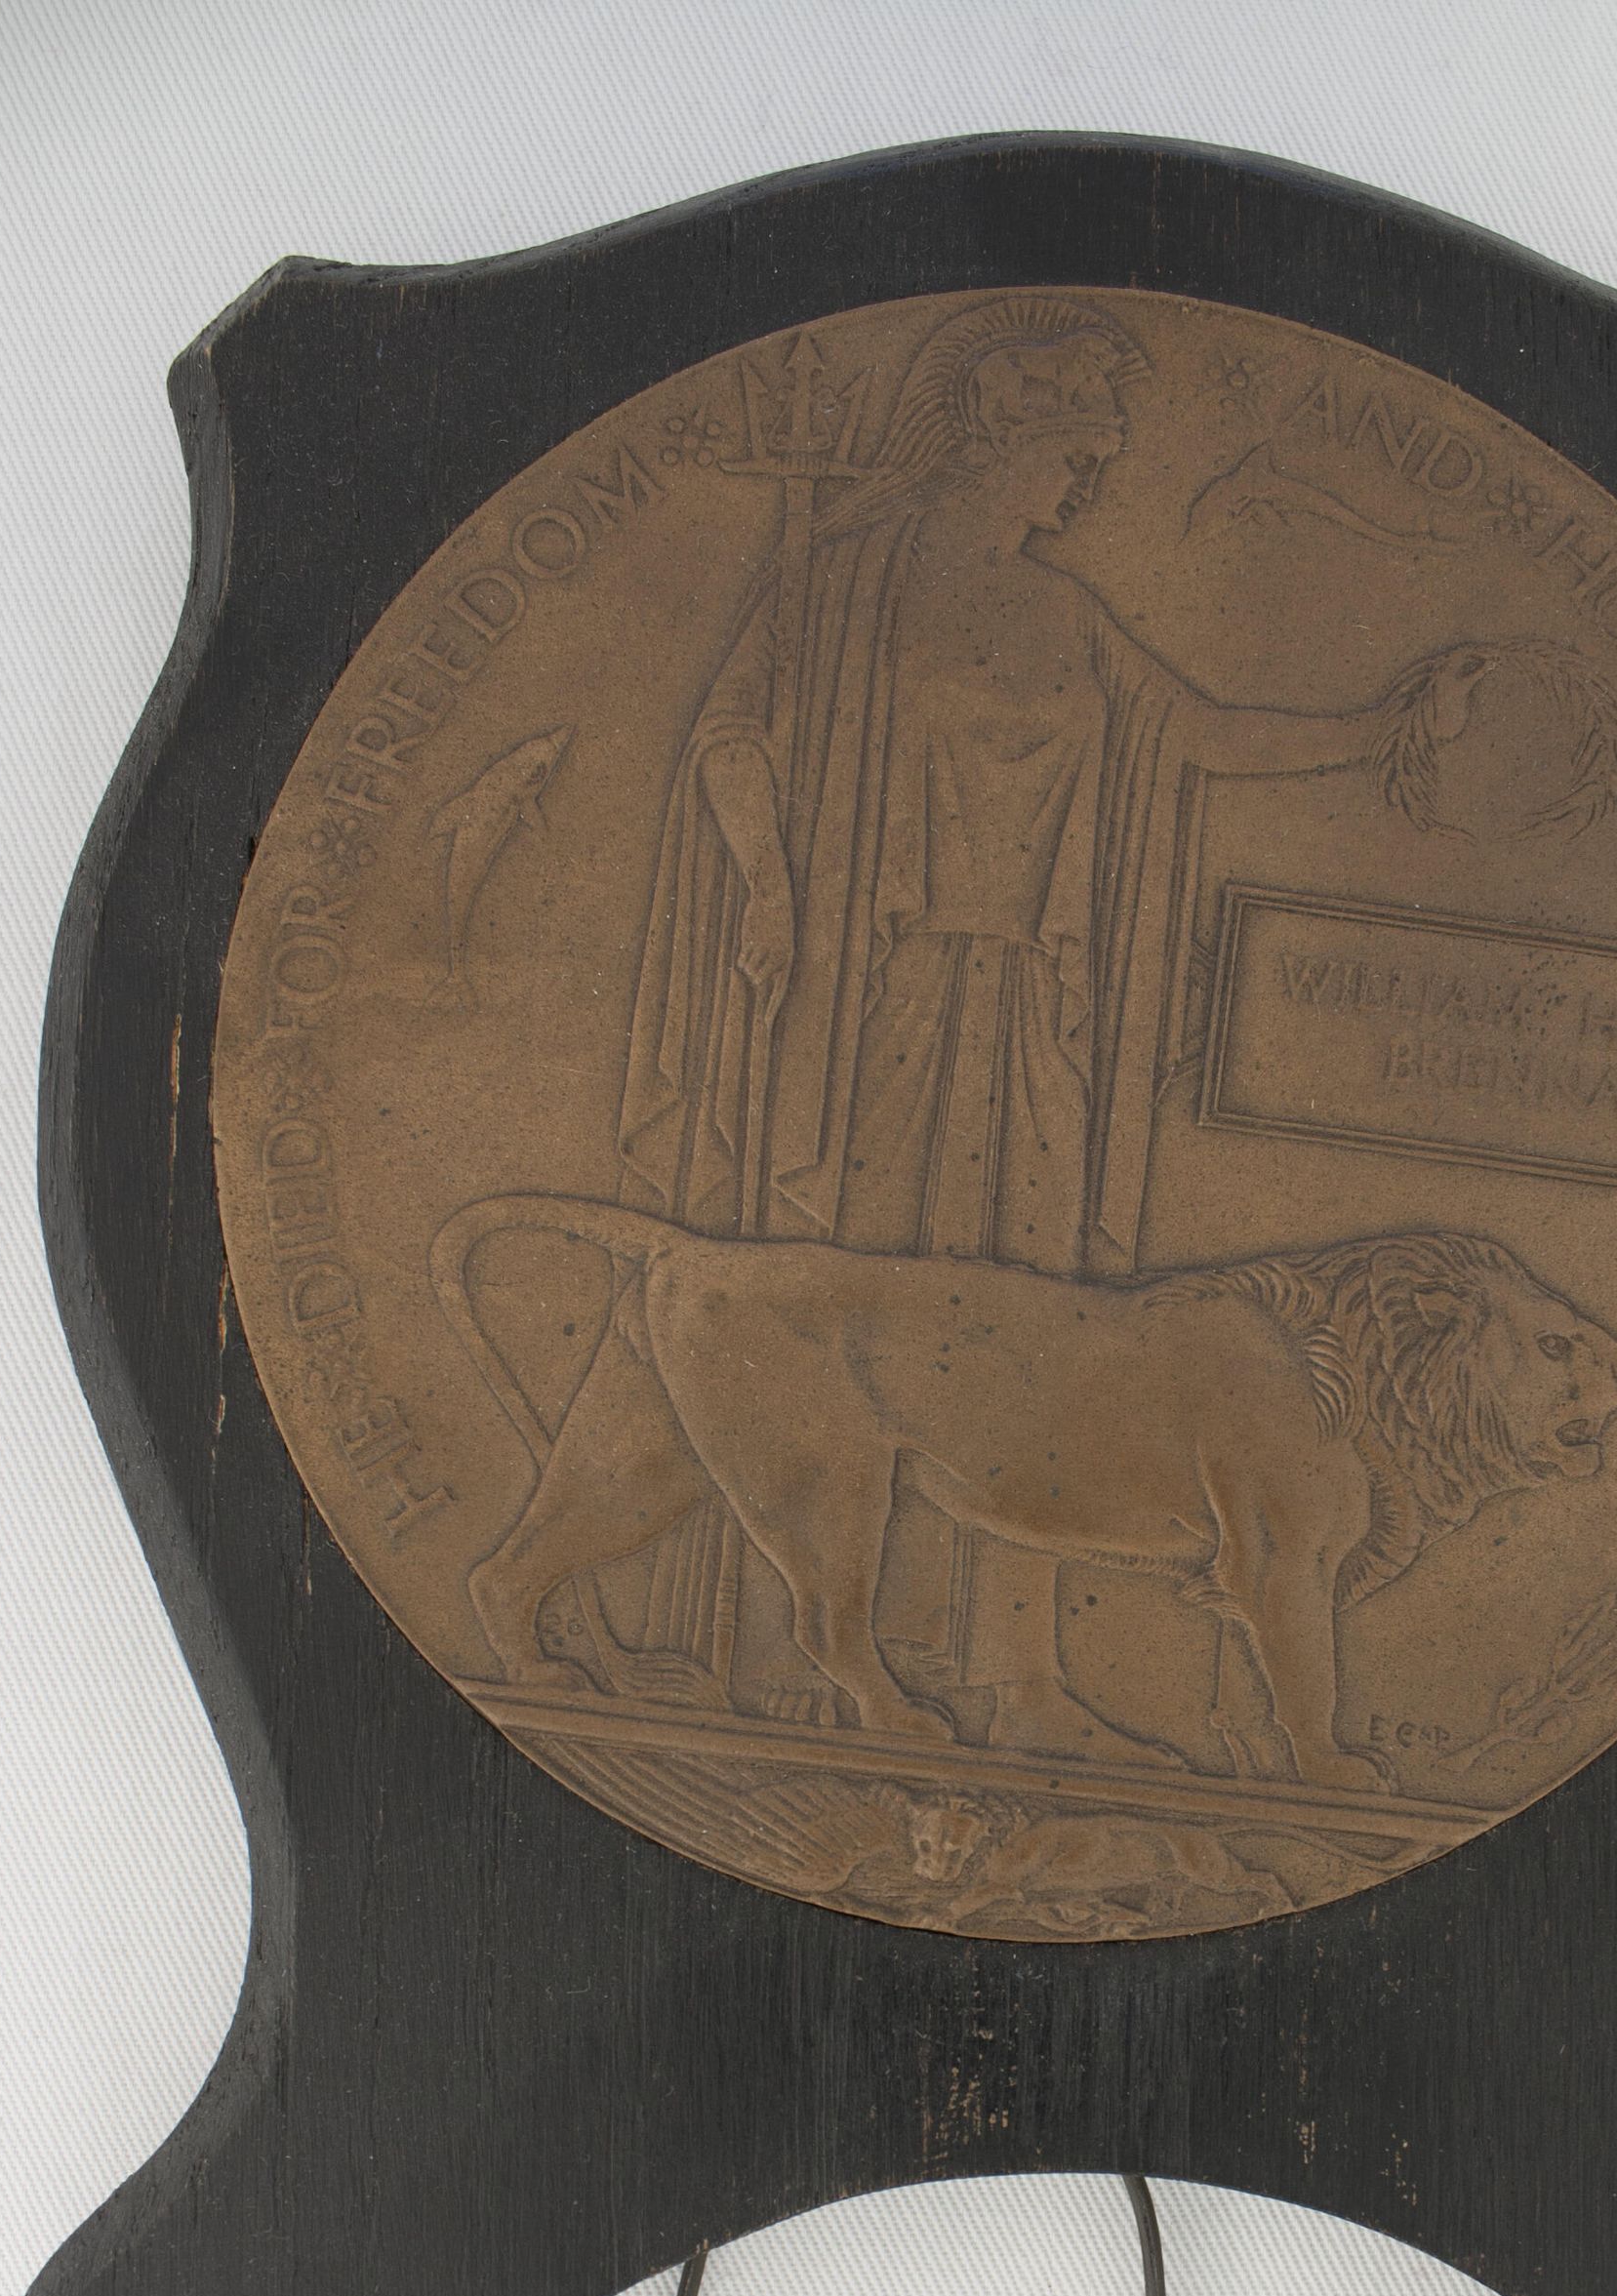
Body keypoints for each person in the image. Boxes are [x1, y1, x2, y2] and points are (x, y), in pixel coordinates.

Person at [517, 295, 1461, 1746]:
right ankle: (802, 1658)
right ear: (1003, 436)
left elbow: (1197, 735)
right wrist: (768, 885)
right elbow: (731, 736)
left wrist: (1376, 731)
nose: (1088, 487)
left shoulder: (1064, 615)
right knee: (842, 1321)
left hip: (1028, 1025)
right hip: (867, 1013)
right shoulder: (842, 584)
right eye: (1080, 455)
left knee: (1036, 1340)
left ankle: (1018, 1676)